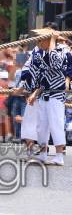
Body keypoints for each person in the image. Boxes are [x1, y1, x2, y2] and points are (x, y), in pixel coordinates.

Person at [25, 28, 68, 165]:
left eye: (40, 39)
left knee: (56, 123)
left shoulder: (62, 49)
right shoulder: (38, 53)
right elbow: (38, 76)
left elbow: (56, 64)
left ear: (48, 39)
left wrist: (54, 41)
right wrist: (33, 93)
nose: (37, 42)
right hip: (43, 93)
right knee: (41, 125)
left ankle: (59, 156)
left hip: (56, 93)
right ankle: (43, 154)